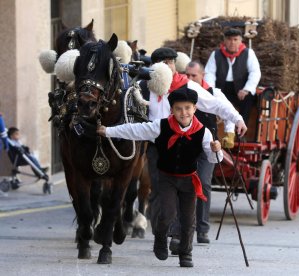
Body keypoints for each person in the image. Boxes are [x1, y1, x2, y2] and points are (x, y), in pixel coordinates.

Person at [97, 87, 223, 268]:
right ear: (172, 110)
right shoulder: (160, 126)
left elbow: (214, 159)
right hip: (167, 179)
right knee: (167, 214)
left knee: (188, 219)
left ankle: (185, 253)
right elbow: (135, 130)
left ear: (195, 109)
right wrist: (108, 131)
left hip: (189, 180)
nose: (183, 113)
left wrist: (216, 150)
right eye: (178, 108)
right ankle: (161, 238)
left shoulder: (204, 132)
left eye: (188, 108)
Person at [137, 47, 246, 251]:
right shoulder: (143, 87)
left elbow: (215, 105)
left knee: (184, 190)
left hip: (185, 146)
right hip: (157, 148)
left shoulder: (186, 86)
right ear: (153, 66)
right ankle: (161, 233)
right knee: (159, 192)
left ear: (174, 65)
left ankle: (178, 236)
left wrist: (236, 119)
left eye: (170, 62)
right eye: (161, 62)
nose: (166, 66)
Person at [204, 28, 261, 123]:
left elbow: (255, 72)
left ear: (240, 41)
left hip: (241, 90)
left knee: (248, 99)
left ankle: (242, 130)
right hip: (222, 89)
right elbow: (209, 74)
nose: (232, 42)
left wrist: (246, 89)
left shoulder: (248, 53)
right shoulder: (216, 54)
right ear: (224, 41)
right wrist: (212, 92)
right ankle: (215, 132)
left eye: (235, 40)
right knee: (211, 102)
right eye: (229, 39)